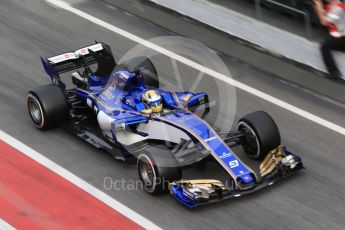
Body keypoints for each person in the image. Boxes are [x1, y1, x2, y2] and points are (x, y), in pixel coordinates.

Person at [314, 0, 345, 80]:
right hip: (339, 36)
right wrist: (318, 6)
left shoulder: (338, 7)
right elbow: (322, 15)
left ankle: (334, 73)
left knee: (324, 47)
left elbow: (324, 22)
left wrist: (318, 4)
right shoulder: (331, 6)